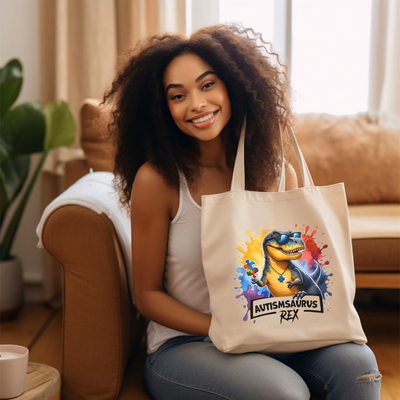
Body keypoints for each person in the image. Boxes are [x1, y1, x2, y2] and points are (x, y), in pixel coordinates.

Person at [103, 24, 381, 400]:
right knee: (283, 393)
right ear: (161, 108)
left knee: (358, 366)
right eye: (177, 95)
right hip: (189, 344)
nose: (197, 104)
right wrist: (226, 325)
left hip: (279, 332)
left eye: (207, 85)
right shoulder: (158, 180)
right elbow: (147, 295)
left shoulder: (278, 170)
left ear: (234, 85)